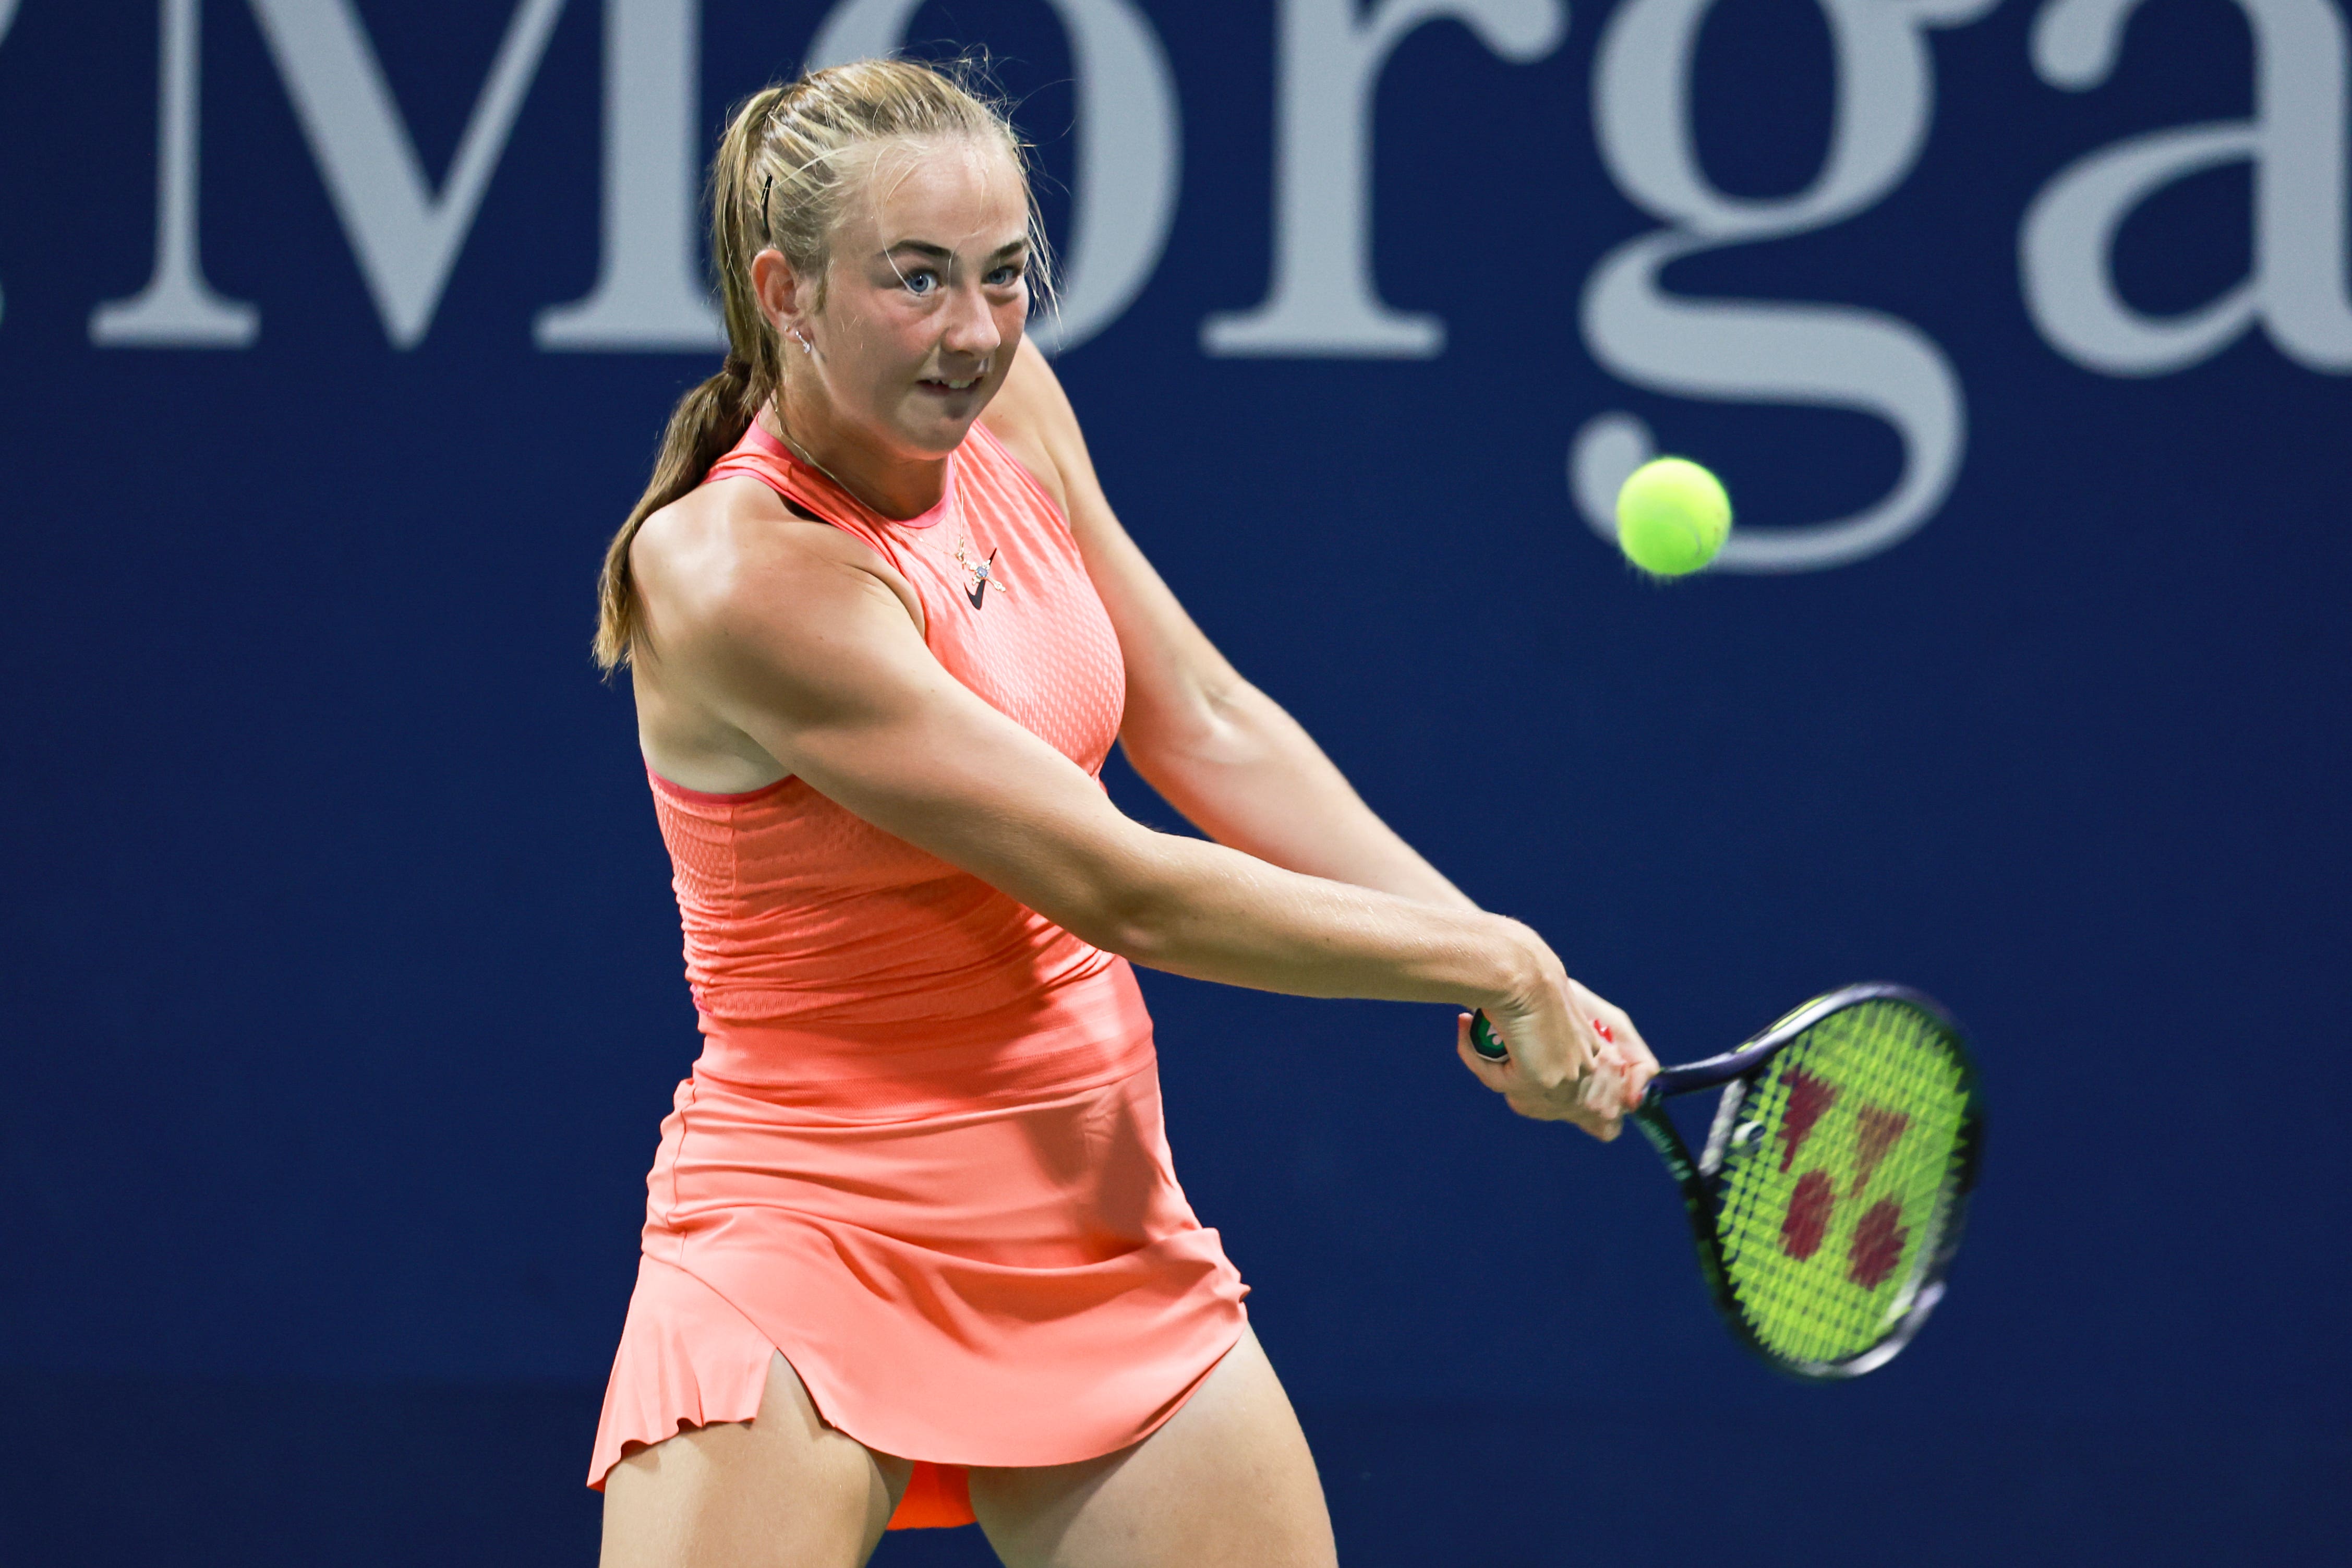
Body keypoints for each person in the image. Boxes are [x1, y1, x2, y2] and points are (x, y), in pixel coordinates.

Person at [586, 57, 1655, 1568]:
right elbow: (1120, 888)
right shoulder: (739, 576)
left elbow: (1205, 721)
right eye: (916, 281)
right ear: (788, 291)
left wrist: (1486, 937)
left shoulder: (1013, 409)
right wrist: (1496, 970)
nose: (972, 333)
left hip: (1089, 1202)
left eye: (1006, 275)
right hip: (808, 1224)